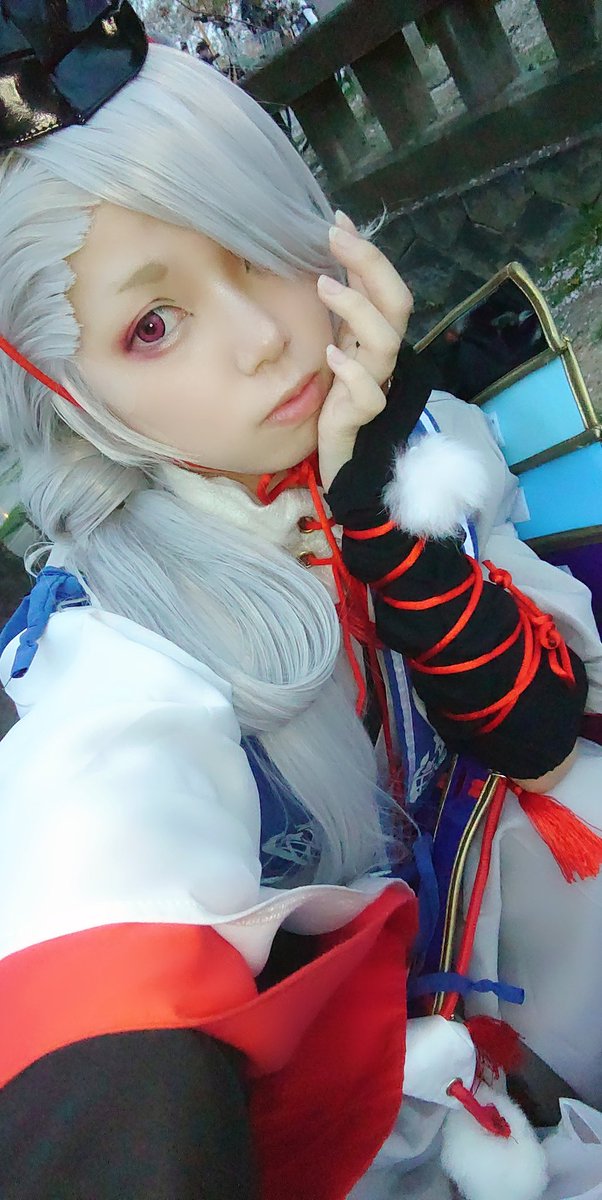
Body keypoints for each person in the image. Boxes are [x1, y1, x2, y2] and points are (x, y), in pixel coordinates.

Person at [0, 3, 602, 1198]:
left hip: (530, 948)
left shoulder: (412, 438)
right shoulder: (111, 651)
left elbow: (537, 732)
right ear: (68, 396)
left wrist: (387, 518)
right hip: (371, 1109)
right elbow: (88, 928)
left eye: (253, 248)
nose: (263, 341)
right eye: (153, 325)